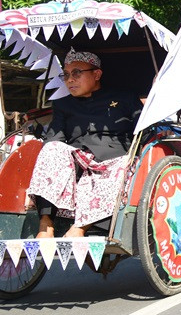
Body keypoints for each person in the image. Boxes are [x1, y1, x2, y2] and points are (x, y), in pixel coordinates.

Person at [28, 50, 142, 238]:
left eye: (76, 73)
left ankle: (81, 227)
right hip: (77, 159)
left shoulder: (125, 97)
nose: (70, 80)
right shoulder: (63, 104)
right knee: (51, 148)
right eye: (66, 75)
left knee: (125, 165)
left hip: (114, 158)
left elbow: (143, 128)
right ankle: (46, 222)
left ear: (96, 74)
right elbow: (54, 137)